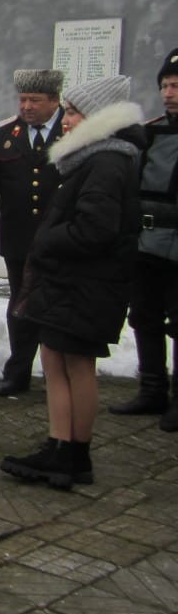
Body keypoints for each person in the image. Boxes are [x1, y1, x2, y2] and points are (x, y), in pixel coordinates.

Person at [0, 75, 144, 489]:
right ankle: (60, 445)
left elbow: (95, 229)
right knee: (55, 361)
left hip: (86, 283)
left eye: (76, 112)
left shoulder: (106, 162)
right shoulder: (92, 158)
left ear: (100, 117)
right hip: (70, 281)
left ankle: (75, 451)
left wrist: (46, 239)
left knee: (76, 365)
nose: (67, 120)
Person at [0, 69, 65, 395]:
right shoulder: (3, 134)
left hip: (62, 238)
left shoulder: (74, 130)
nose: (27, 106)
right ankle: (18, 370)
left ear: (54, 100)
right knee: (20, 303)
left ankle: (57, 372)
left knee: (57, 304)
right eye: (23, 99)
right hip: (18, 236)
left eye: (35, 100)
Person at [110, 47, 178, 426]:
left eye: (176, 86)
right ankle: (152, 391)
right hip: (146, 245)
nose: (169, 92)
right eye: (165, 85)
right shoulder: (149, 134)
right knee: (144, 318)